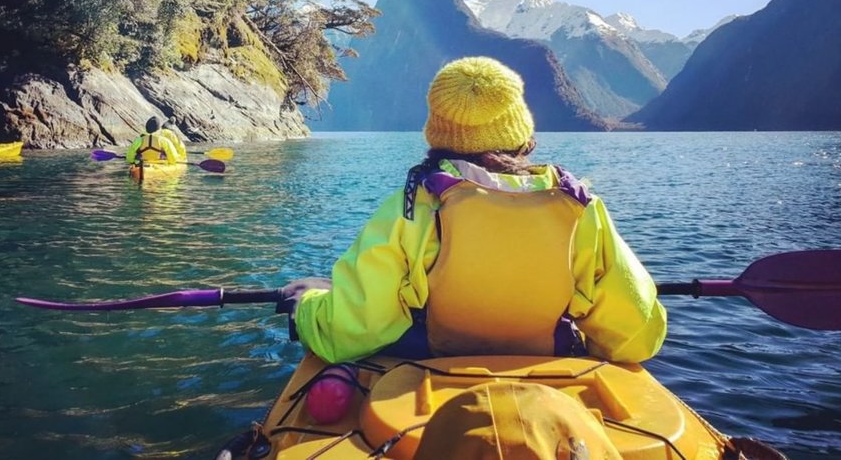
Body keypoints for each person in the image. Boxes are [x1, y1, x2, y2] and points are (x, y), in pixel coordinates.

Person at [280, 56, 667, 365]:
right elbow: (638, 336)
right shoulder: (580, 208)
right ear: (521, 133)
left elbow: (350, 331)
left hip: (433, 369)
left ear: (438, 132)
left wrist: (309, 306)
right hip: (548, 375)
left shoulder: (414, 206)